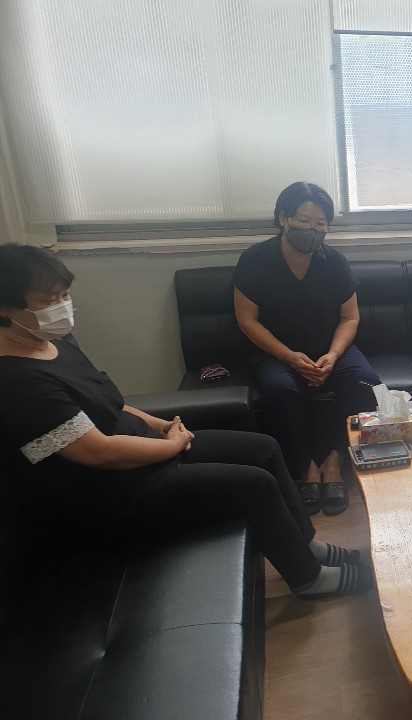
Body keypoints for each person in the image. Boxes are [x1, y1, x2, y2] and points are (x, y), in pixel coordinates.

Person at [0, 244, 369, 600]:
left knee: (265, 448)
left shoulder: (56, 345)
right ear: (6, 307)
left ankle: (307, 545)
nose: (62, 306)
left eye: (65, 295)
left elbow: (112, 404)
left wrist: (160, 425)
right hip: (111, 491)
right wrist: (170, 446)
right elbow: (97, 452)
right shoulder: (17, 381)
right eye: (48, 300)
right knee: (255, 485)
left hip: (143, 453)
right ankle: (309, 580)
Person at [232, 182, 380, 516]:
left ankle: (334, 463)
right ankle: (307, 469)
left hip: (330, 349)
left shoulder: (335, 262)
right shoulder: (255, 259)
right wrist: (289, 357)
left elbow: (350, 317)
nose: (311, 230)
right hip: (276, 353)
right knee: (279, 389)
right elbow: (247, 321)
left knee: (365, 381)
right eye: (303, 220)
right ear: (283, 218)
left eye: (320, 224)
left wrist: (333, 355)